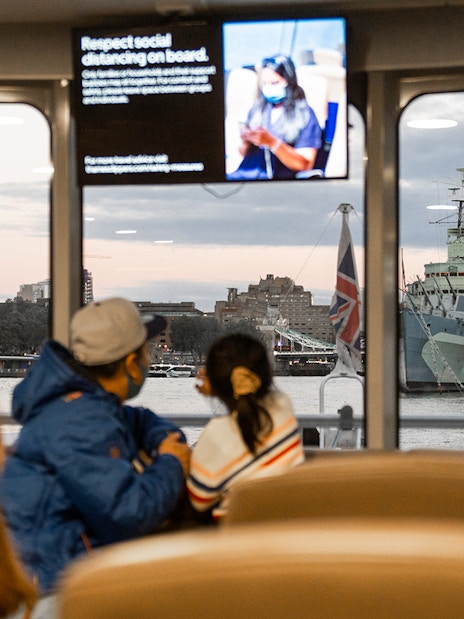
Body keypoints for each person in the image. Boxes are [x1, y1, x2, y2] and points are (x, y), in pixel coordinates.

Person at [0, 297, 190, 603]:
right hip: (53, 589)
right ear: (131, 363)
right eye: (147, 352)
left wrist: (163, 440)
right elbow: (127, 516)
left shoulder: (82, 406)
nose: (149, 360)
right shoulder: (80, 422)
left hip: (60, 572)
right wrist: (171, 463)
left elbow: (138, 420)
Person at [187, 332, 304, 520]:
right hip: (287, 531)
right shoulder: (283, 404)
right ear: (266, 375)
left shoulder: (216, 434)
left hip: (237, 543)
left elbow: (200, 500)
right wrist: (220, 386)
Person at [227, 54, 322, 181]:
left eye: (275, 83)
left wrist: (273, 143)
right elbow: (245, 154)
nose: (269, 88)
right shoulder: (258, 110)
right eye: (265, 83)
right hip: (244, 175)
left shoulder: (304, 115)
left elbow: (305, 165)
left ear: (289, 81)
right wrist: (245, 142)